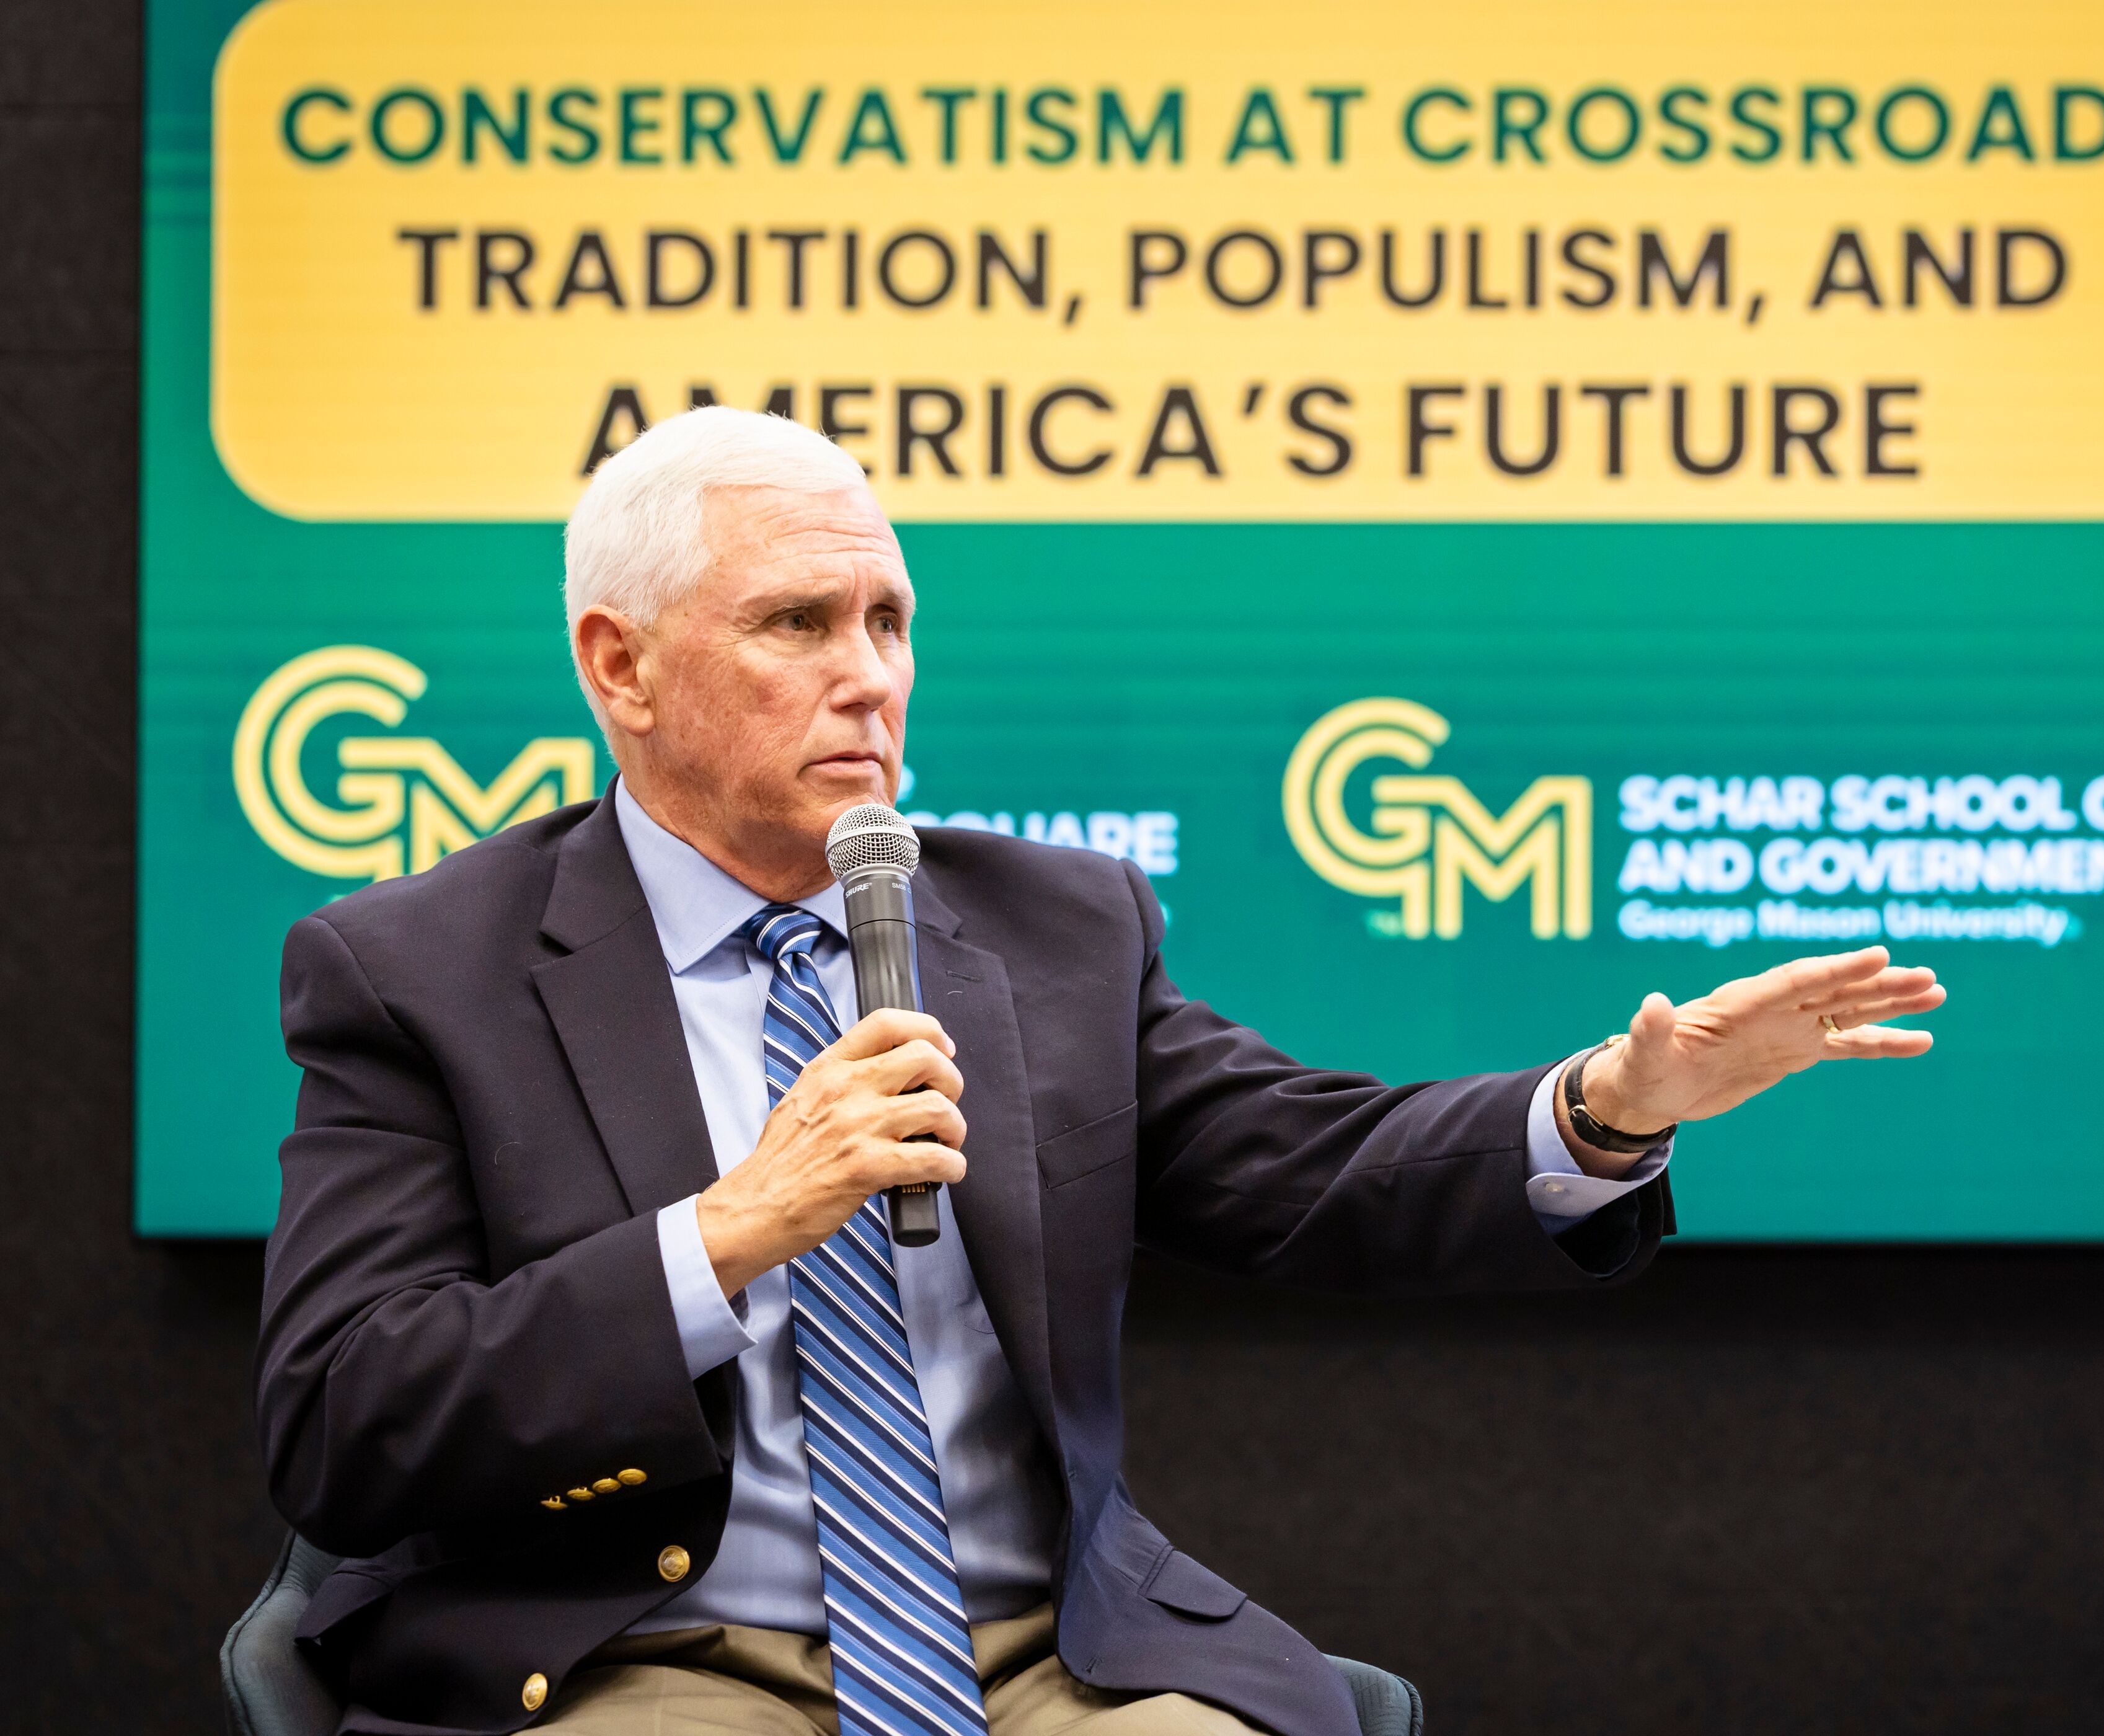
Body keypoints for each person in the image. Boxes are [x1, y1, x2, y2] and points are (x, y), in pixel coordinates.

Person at [257, 406, 1946, 1736]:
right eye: (796, 623)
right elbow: (346, 1421)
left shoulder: (1046, 928)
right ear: (620, 667)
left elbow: (1318, 1170)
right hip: (645, 1655)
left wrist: (1604, 1110)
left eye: (889, 619)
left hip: (1043, 1665)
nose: (870, 676)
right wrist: (730, 1233)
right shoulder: (418, 975)